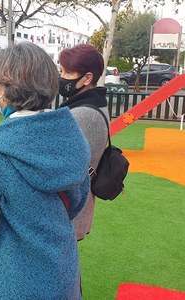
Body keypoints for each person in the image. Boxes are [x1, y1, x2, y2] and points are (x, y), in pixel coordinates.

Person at [0, 42, 91, 300]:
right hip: (61, 271)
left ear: (4, 89)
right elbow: (77, 201)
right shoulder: (72, 136)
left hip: (7, 278)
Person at [58, 44, 110, 241]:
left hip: (70, 209)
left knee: (61, 268)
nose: (62, 77)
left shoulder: (83, 114)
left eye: (68, 73)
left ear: (87, 78)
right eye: (61, 70)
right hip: (74, 205)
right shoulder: (90, 105)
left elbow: (58, 163)